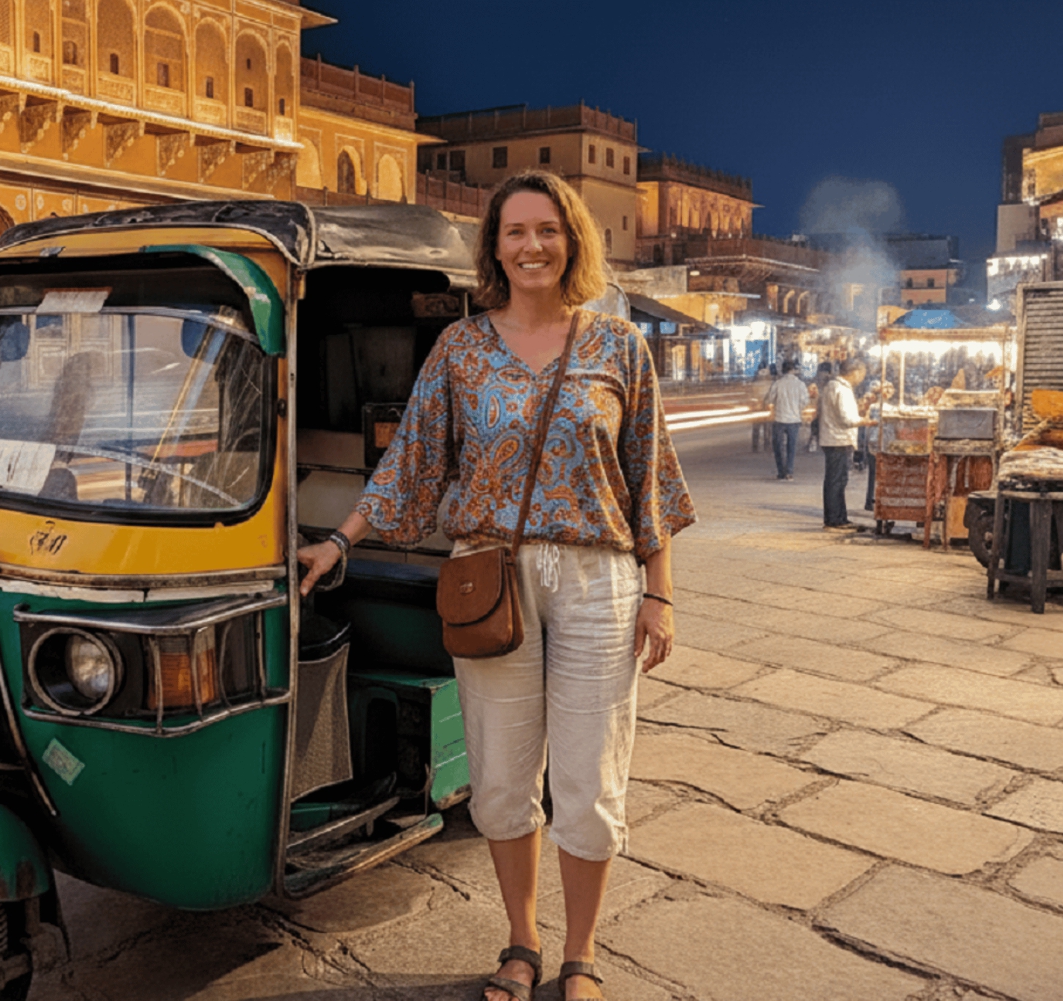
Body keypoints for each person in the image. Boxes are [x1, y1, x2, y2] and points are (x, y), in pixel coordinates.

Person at [296, 171, 695, 1001]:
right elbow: (410, 459)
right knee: (504, 780)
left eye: (547, 230)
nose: (532, 246)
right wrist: (339, 540)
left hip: (597, 580)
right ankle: (522, 942)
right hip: (490, 576)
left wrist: (660, 592)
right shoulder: (462, 349)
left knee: (590, 784)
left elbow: (649, 475)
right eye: (515, 232)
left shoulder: (619, 344)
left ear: (572, 239)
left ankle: (580, 954)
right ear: (495, 248)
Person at [819, 359, 875, 531]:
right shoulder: (840, 389)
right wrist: (865, 421)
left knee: (838, 480)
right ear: (855, 372)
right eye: (862, 373)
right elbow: (846, 418)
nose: (862, 377)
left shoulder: (835, 386)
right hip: (838, 439)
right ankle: (834, 520)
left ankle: (840, 518)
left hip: (836, 438)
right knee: (836, 480)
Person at [764, 360, 808, 480]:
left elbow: (769, 399)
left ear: (782, 370)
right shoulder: (800, 384)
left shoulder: (777, 384)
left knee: (778, 446)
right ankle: (789, 471)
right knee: (791, 447)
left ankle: (781, 471)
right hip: (794, 419)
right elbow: (805, 401)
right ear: (793, 370)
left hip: (779, 418)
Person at [749, 362, 776, 452]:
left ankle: (755, 446)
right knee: (767, 428)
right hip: (767, 407)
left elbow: (751, 395)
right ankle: (767, 445)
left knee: (756, 428)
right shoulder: (770, 382)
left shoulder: (755, 383)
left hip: (757, 407)